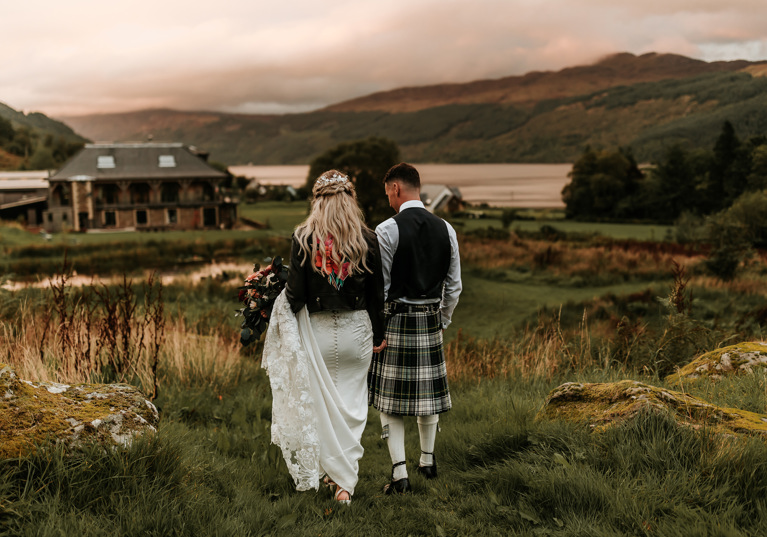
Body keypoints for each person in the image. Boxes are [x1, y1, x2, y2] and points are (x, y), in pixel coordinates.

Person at [261, 169, 385, 505]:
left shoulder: (303, 237)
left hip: (317, 333)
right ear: (350, 200)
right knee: (351, 406)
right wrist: (380, 335)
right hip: (357, 331)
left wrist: (268, 302)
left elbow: (296, 295)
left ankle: (336, 478)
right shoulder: (369, 238)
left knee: (323, 408)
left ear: (317, 202)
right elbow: (377, 296)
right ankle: (343, 484)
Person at [368, 162, 462, 494]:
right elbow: (454, 287)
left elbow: (380, 287)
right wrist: (442, 320)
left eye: (388, 195)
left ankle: (399, 475)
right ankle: (428, 461)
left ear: (395, 189)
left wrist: (377, 329)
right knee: (428, 398)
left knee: (389, 402)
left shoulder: (386, 230)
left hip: (396, 320)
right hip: (430, 320)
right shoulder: (446, 229)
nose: (389, 202)